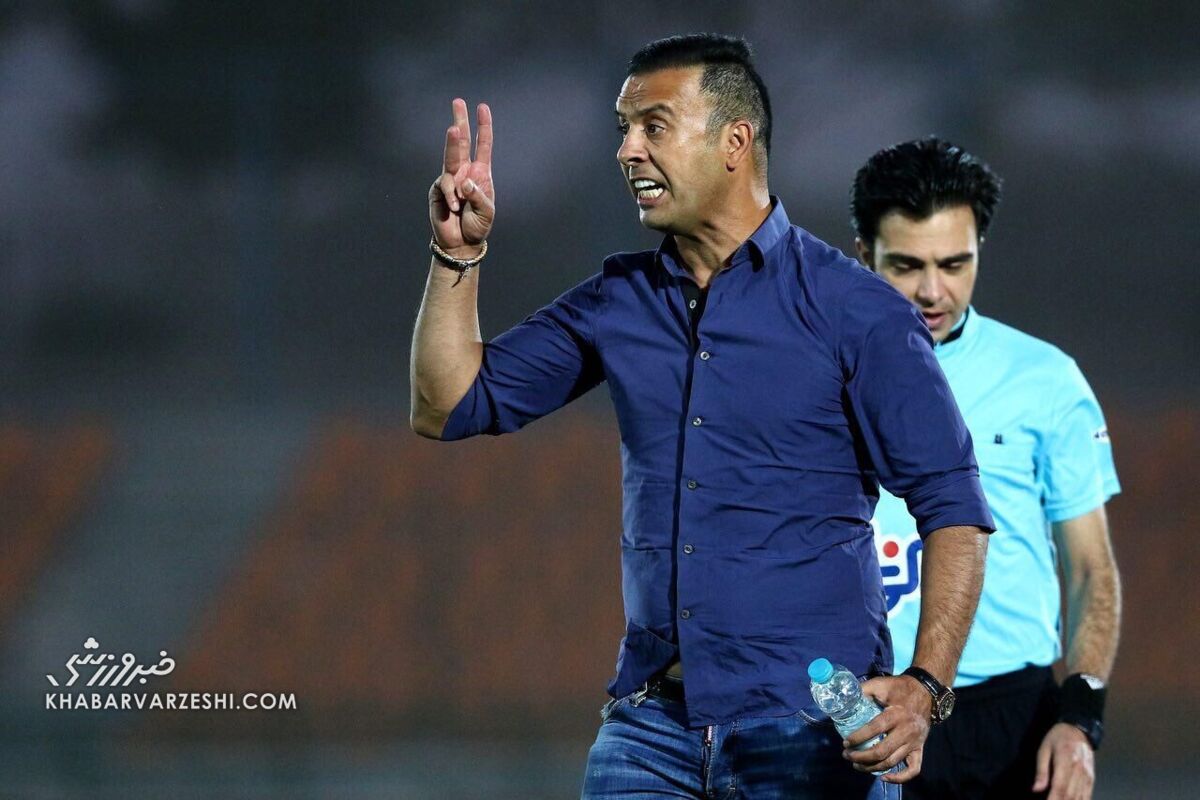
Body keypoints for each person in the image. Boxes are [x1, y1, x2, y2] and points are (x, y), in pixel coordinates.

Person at [411, 35, 995, 798]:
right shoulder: (619, 299)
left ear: (734, 142)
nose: (627, 150)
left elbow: (954, 508)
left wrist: (926, 686)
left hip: (815, 726)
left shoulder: (858, 310)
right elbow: (448, 404)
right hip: (650, 728)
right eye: (624, 128)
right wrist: (456, 256)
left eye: (653, 126)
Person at [852, 137, 1122, 800]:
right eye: (906, 265)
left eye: (955, 263)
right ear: (864, 254)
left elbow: (1091, 569)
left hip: (1011, 722)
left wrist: (1080, 719)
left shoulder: (1047, 380)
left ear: (979, 250)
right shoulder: (817, 380)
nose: (932, 290)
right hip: (865, 711)